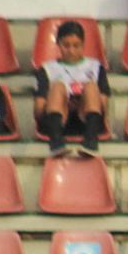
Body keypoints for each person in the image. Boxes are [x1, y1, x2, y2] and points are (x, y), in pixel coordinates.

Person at [32, 20, 109, 154]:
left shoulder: (96, 67)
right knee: (58, 87)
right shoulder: (47, 69)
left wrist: (82, 101)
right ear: (58, 44)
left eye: (76, 45)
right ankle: (56, 142)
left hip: (85, 119)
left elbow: (103, 104)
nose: (71, 51)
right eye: (66, 46)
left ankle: (90, 141)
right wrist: (62, 102)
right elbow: (38, 109)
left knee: (90, 86)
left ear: (83, 44)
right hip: (58, 121)